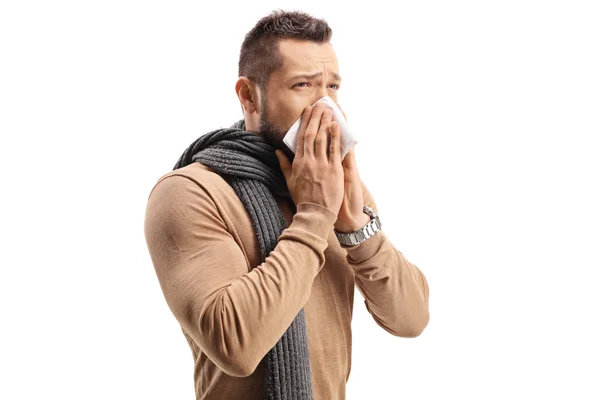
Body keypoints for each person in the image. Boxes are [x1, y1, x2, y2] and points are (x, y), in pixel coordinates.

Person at [144, 9, 430, 400]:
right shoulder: (191, 192)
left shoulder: (339, 190)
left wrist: (354, 227)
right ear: (249, 96)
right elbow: (235, 345)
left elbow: (411, 319)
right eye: (303, 86)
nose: (326, 109)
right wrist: (314, 217)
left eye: (333, 87)